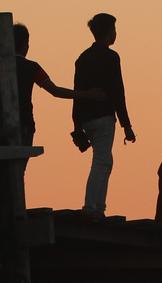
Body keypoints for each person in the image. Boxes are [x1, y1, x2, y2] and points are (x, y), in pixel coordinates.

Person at [73, 13, 134, 216]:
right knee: (101, 161)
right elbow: (118, 92)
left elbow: (77, 93)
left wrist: (76, 125)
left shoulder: (83, 58)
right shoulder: (111, 57)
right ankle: (92, 207)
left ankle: (98, 205)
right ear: (109, 33)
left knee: (105, 160)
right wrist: (126, 124)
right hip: (103, 117)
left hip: (86, 117)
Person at [13, 22, 99, 151]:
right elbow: (55, 91)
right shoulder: (32, 67)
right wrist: (87, 94)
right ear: (25, 44)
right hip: (24, 123)